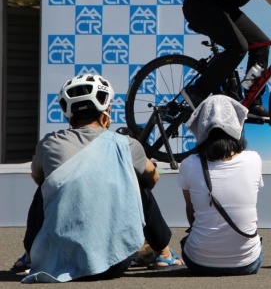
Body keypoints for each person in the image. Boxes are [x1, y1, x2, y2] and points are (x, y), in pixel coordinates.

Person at [16, 74, 182, 282]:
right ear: (106, 114)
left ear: (69, 117)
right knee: (139, 184)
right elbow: (153, 178)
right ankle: (164, 253)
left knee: (45, 188)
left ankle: (32, 255)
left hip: (57, 259)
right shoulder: (126, 144)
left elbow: (37, 176)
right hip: (115, 263)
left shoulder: (49, 144)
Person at [177, 95, 264, 276]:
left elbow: (191, 212)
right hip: (247, 262)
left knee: (188, 240)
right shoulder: (254, 159)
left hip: (200, 263)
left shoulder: (188, 164)